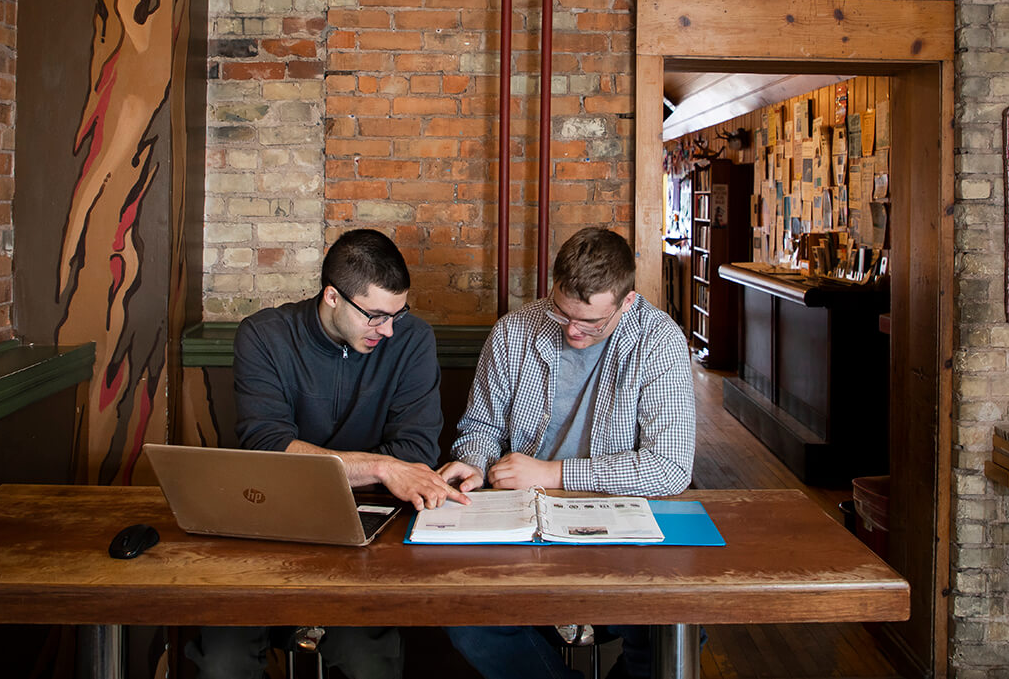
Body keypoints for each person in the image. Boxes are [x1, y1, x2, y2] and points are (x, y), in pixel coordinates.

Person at [187, 228, 468, 679]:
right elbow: (267, 447)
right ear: (333, 296)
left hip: (371, 534)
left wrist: (338, 464)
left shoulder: (412, 339)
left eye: (398, 313)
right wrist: (378, 465)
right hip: (266, 528)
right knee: (223, 661)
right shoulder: (264, 336)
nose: (389, 329)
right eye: (375, 316)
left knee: (369, 663)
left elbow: (414, 452)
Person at [438, 227, 696, 679]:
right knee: (466, 618)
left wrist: (552, 473)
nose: (573, 330)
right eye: (561, 312)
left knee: (675, 625)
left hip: (618, 526)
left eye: (591, 322)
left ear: (626, 303)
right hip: (520, 522)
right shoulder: (513, 331)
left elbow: (670, 468)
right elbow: (480, 427)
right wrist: (474, 461)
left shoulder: (660, 341)